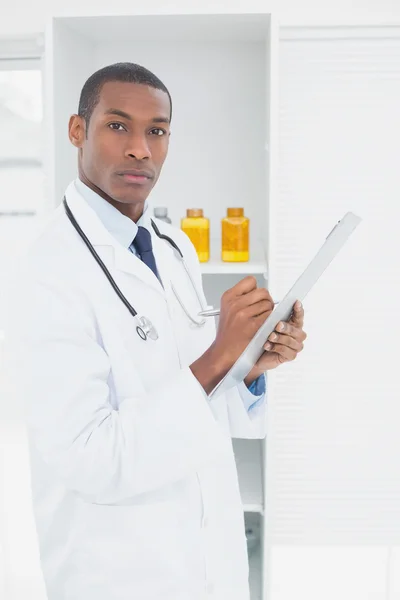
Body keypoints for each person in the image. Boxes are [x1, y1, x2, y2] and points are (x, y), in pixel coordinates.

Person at [7, 63, 307, 600]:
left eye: (157, 130)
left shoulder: (173, 246)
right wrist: (220, 354)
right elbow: (90, 457)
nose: (141, 148)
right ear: (77, 130)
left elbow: (189, 383)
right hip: (119, 573)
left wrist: (248, 366)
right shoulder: (46, 268)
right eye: (118, 126)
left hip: (208, 560)